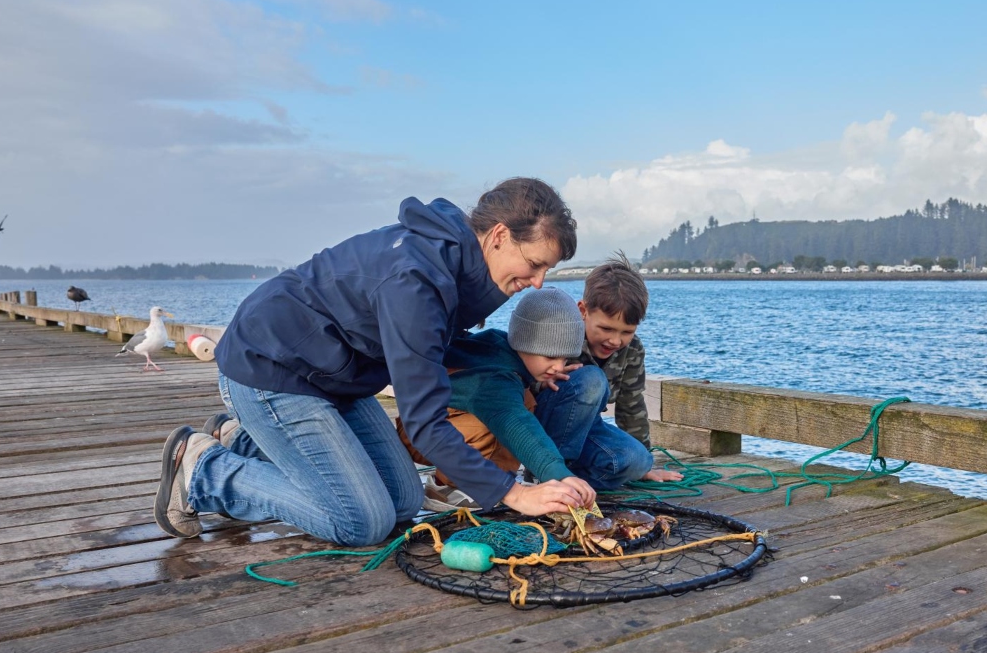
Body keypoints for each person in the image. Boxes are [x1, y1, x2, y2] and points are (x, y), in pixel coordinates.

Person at [153, 178, 596, 546]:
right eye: (535, 265)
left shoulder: (461, 262)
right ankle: (205, 472)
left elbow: (440, 347)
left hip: (337, 377)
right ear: (499, 236)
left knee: (403, 503)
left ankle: (247, 442)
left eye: (546, 271)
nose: (538, 283)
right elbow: (425, 422)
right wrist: (515, 493)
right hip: (272, 368)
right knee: (360, 522)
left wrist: (528, 365)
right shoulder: (416, 281)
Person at [397, 288, 658, 506]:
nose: (559, 366)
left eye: (565, 358)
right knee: (509, 416)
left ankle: (497, 477)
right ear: (525, 343)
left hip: (438, 422)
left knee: (524, 403)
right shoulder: (496, 379)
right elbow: (517, 425)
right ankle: (448, 487)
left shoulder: (506, 350)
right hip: (424, 431)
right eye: (550, 357)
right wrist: (557, 474)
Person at [534, 254, 683, 482]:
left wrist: (646, 465)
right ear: (583, 311)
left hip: (587, 430)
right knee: (593, 380)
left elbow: (630, 405)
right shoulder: (560, 335)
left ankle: (574, 479)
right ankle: (549, 475)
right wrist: (541, 381)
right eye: (606, 328)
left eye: (626, 332)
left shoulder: (632, 350)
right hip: (542, 430)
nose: (615, 341)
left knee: (639, 461)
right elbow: (521, 382)